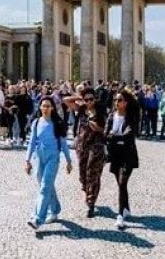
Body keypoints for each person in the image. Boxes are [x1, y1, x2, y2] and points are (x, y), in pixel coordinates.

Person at [25, 96, 74, 230]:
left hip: (53, 157)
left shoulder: (57, 123)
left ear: (52, 108)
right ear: (40, 107)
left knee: (45, 186)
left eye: (48, 106)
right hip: (39, 157)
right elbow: (31, 142)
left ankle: (37, 218)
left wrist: (69, 161)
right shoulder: (36, 122)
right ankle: (55, 209)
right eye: (43, 105)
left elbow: (63, 143)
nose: (45, 108)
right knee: (45, 184)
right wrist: (27, 160)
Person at [107, 89, 141, 230]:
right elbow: (105, 134)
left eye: (119, 100)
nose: (116, 102)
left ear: (126, 103)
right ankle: (126, 208)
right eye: (115, 100)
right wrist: (114, 137)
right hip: (115, 154)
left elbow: (128, 135)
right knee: (121, 185)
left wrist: (113, 136)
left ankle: (120, 215)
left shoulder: (131, 117)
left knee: (122, 183)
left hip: (128, 154)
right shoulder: (111, 116)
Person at [70, 89, 107, 217]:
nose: (89, 102)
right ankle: (88, 192)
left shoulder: (101, 112)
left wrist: (98, 128)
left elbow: (107, 130)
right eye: (87, 99)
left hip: (96, 146)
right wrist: (79, 96)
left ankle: (91, 202)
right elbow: (65, 101)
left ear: (95, 99)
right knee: (82, 174)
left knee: (92, 172)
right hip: (82, 145)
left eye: (91, 99)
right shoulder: (81, 110)